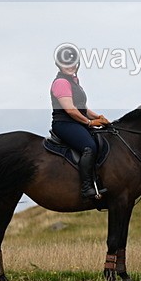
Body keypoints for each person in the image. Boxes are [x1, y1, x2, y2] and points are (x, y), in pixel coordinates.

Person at [51, 44, 110, 199]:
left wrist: (99, 118)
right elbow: (70, 110)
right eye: (65, 64)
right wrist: (89, 123)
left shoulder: (74, 82)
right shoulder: (61, 83)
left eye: (72, 63)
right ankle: (86, 188)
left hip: (76, 122)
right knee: (89, 147)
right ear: (59, 65)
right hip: (64, 124)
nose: (70, 66)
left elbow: (83, 108)